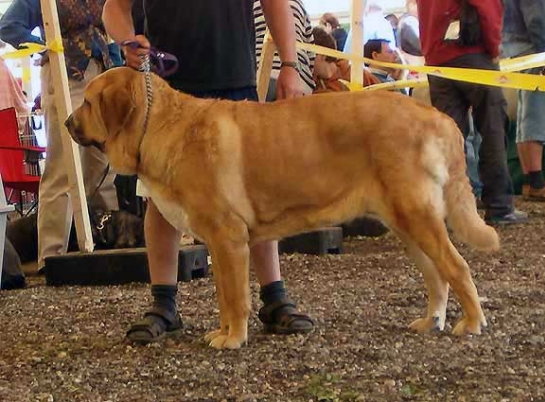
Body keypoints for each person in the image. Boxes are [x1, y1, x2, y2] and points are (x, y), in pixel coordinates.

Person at [102, 0, 315, 344]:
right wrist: (127, 41)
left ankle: (274, 296)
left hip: (234, 79)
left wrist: (290, 64)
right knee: (157, 196)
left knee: (253, 193)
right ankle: (164, 303)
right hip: (168, 85)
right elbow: (113, 8)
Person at [0, 0, 120, 272]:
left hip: (101, 77)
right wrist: (45, 48)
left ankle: (109, 246)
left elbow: (111, 29)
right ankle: (51, 257)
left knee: (103, 168)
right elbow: (8, 26)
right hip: (64, 76)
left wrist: (117, 63)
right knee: (63, 168)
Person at [417, 0, 528, 225]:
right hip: (473, 55)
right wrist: (494, 47)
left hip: (438, 60)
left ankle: (449, 211)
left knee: (447, 140)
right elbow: (487, 7)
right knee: (492, 130)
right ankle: (499, 206)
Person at [502, 0, 545, 201]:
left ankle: (530, 181)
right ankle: (537, 183)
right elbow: (536, 18)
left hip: (515, 47)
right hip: (532, 48)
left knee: (527, 115)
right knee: (538, 115)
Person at [254, 0, 315, 101]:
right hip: (297, 78)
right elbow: (311, 52)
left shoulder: (253, 4)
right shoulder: (300, 5)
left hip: (261, 76)